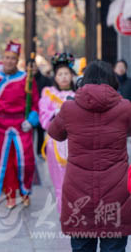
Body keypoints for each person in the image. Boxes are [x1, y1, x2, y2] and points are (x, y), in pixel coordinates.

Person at [48, 61, 131, 252]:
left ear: (82, 81)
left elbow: (55, 132)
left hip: (79, 191)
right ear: (113, 80)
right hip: (117, 190)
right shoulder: (125, 108)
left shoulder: (69, 108)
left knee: (82, 246)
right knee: (115, 247)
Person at [0, 41, 39, 209]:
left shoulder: (27, 79)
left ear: (17, 60)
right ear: (2, 59)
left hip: (21, 125)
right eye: (7, 58)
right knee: (6, 163)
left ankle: (25, 192)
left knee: (24, 161)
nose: (9, 61)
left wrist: (30, 121)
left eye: (13, 58)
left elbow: (35, 105)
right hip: (1, 126)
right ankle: (10, 195)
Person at [39, 53, 75, 214]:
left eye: (67, 73)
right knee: (59, 182)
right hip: (55, 142)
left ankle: (77, 213)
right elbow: (43, 116)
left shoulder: (79, 94)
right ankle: (64, 214)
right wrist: (56, 111)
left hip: (75, 142)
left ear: (72, 75)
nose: (64, 77)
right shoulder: (48, 93)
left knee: (75, 181)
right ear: (55, 76)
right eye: (60, 74)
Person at [28, 58, 53, 156]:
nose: (32, 68)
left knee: (40, 132)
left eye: (34, 66)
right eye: (30, 67)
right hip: (29, 110)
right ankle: (29, 151)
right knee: (29, 133)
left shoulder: (44, 79)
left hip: (40, 109)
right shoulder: (25, 80)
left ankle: (40, 151)